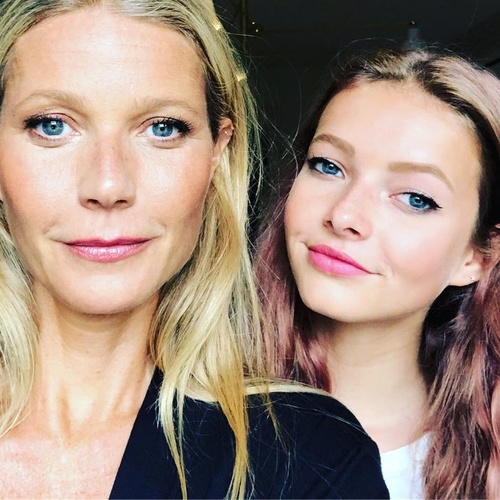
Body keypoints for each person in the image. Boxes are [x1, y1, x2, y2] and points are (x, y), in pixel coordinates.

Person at [0, 0, 389, 498]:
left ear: (216, 155)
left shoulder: (310, 457)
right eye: (52, 125)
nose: (108, 184)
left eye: (162, 128)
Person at [256, 49, 500, 499]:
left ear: (477, 256)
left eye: (415, 198)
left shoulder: (487, 457)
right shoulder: (179, 404)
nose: (345, 215)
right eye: (328, 166)